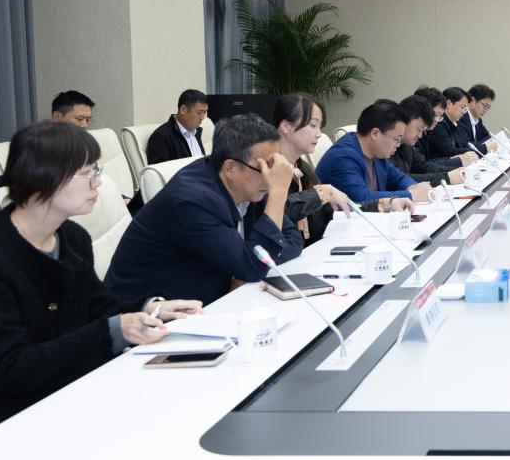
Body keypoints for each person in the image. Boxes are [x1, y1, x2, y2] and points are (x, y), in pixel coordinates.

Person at [0, 122, 200, 452]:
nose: (98, 182)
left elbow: (100, 310)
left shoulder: (72, 238)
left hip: (58, 400)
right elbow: (10, 369)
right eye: (87, 173)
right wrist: (113, 330)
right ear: (44, 178)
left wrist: (149, 308)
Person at [106, 114, 303, 306]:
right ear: (230, 168)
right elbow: (253, 265)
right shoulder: (192, 202)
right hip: (146, 314)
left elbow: (291, 239)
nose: (271, 176)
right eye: (265, 167)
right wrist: (279, 192)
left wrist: (247, 270)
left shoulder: (249, 182)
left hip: (205, 302)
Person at [314, 102, 432, 204]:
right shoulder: (343, 157)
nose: (398, 144)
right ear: (375, 133)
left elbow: (398, 177)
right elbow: (362, 198)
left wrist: (415, 187)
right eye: (397, 139)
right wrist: (411, 195)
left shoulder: (376, 153)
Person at [271, 93, 351, 244]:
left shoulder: (304, 170)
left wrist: (383, 204)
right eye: (313, 125)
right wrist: (322, 193)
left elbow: (331, 211)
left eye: (320, 127)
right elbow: (278, 210)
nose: (319, 134)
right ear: (286, 127)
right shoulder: (266, 169)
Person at [394, 95, 467, 187]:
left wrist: (454, 170)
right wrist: (446, 177)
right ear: (405, 120)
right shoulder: (388, 146)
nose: (420, 135)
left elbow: (423, 166)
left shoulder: (406, 145)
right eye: (419, 129)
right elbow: (398, 180)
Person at [144, 89, 209, 164]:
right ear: (183, 110)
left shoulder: (195, 132)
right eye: (199, 113)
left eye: (205, 112)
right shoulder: (161, 137)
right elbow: (159, 170)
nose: (202, 117)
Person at [427, 87, 473, 159]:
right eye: (462, 107)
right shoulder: (439, 123)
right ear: (448, 103)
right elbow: (449, 151)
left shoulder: (453, 123)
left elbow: (462, 144)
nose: (464, 112)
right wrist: (478, 151)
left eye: (465, 109)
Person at [464, 84, 500, 154]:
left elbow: (487, 137)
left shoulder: (477, 119)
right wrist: (485, 146)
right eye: (485, 105)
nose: (485, 110)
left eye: (488, 107)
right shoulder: (461, 118)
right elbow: (467, 145)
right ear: (472, 100)